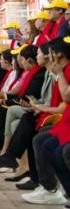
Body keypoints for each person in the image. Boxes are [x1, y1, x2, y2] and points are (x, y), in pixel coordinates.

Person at [21, 36, 70, 205]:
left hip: (63, 120)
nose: (48, 57)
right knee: (41, 140)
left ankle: (51, 187)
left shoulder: (62, 72)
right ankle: (49, 187)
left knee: (59, 149)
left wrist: (60, 74)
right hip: (64, 120)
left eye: (49, 53)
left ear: (58, 55)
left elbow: (66, 97)